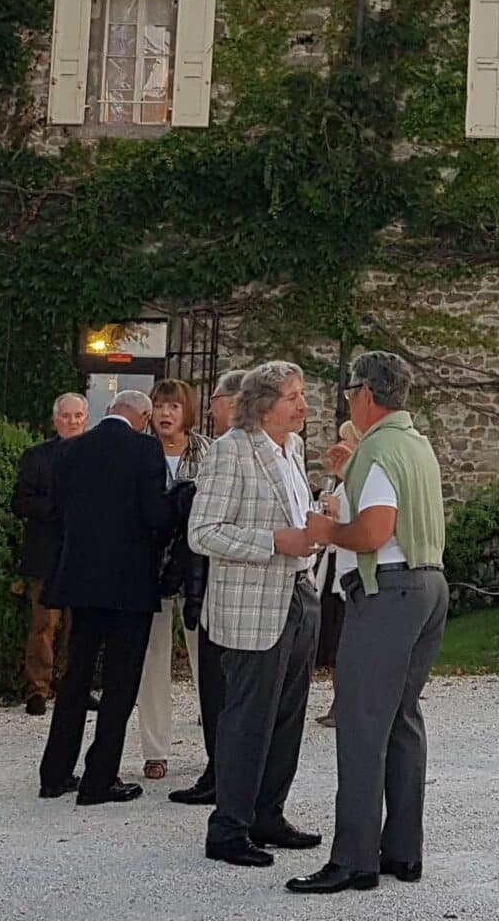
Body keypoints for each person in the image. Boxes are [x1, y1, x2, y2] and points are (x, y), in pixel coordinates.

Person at [288, 352, 448, 895]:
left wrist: (326, 530)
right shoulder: (416, 443)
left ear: (365, 394)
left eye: (349, 390)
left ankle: (353, 860)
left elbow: (376, 530)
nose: (346, 400)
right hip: (430, 585)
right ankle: (402, 851)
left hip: (388, 592)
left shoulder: (376, 449)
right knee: (402, 718)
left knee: (360, 726)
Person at [190, 361, 328, 867]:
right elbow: (201, 532)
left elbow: (292, 517)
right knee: (247, 718)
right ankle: (227, 829)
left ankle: (268, 814)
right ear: (265, 404)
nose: (304, 405)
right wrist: (273, 542)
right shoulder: (229, 451)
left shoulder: (293, 449)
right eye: (294, 396)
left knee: (288, 715)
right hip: (251, 606)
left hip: (299, 593)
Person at [39, 389, 171, 806]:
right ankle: (100, 778)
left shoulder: (71, 451)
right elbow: (156, 515)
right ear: (145, 417)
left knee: (76, 675)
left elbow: (57, 514)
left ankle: (55, 773)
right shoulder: (146, 450)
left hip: (80, 580)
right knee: (120, 683)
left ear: (109, 412)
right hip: (129, 583)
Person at [171, 369, 245, 806]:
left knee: (221, 688)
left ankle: (222, 773)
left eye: (214, 398)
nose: (210, 406)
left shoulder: (226, 451)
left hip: (223, 583)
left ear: (231, 403)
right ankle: (221, 770)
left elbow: (207, 530)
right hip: (214, 581)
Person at [136, 377, 201, 783]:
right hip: (151, 567)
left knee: (205, 659)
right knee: (152, 659)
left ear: (186, 411)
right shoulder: (138, 452)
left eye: (173, 406)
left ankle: (216, 745)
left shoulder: (207, 451)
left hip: (196, 567)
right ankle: (155, 750)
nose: (165, 413)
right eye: (159, 406)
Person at [14, 393, 88, 716]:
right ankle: (38, 689)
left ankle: (75, 688)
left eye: (78, 416)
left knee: (80, 627)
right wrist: (58, 508)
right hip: (46, 554)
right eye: (67, 416)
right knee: (44, 625)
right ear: (56, 419)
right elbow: (20, 502)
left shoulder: (97, 456)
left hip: (84, 555)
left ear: (86, 418)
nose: (72, 421)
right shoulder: (36, 457)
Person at [312, 419, 360, 730]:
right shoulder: (345, 479)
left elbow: (357, 516)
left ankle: (346, 703)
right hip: (333, 566)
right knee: (333, 640)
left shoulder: (360, 478)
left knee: (345, 640)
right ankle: (337, 700)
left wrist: (336, 510)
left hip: (350, 566)